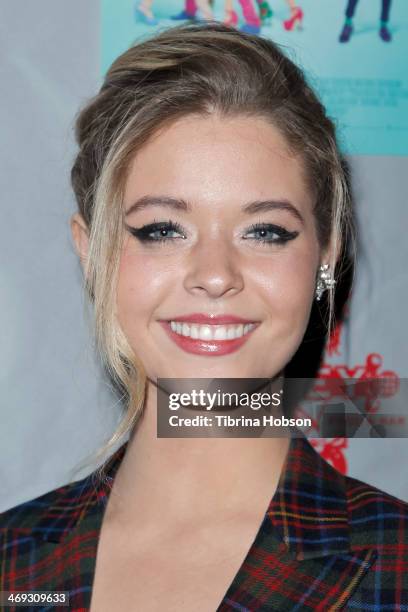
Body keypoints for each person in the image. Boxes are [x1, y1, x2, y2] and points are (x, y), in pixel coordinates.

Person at [1, 21, 407, 611]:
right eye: (162, 229)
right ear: (93, 253)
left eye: (264, 231)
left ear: (327, 255)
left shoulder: (395, 567)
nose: (215, 274)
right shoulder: (14, 562)